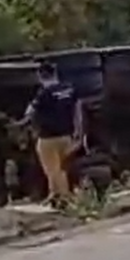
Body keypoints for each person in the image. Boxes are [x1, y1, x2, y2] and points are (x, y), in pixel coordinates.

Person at [21, 62, 84, 208]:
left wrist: (23, 122)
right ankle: (54, 195)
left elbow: (30, 112)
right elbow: (78, 111)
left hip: (48, 138)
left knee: (53, 170)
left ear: (40, 76)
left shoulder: (44, 93)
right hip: (67, 136)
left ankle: (64, 199)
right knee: (63, 168)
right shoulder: (70, 89)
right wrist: (79, 131)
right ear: (55, 73)